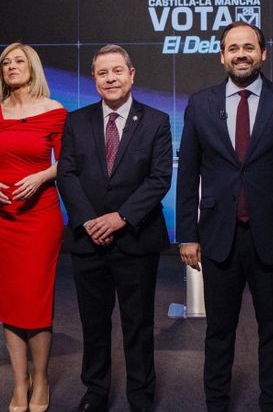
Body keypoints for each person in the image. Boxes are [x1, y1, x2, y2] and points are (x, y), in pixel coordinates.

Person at [176, 22, 273, 412]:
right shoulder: (200, 103)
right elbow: (187, 175)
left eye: (249, 47)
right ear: (222, 56)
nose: (241, 54)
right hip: (218, 237)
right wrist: (186, 235)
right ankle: (216, 404)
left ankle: (272, 403)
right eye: (233, 48)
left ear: (263, 53)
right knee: (218, 330)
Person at [57, 44, 172, 412]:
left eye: (117, 71)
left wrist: (120, 217)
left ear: (131, 74)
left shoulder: (156, 121)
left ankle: (140, 395)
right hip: (87, 239)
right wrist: (90, 220)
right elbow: (67, 173)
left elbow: (159, 179)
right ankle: (95, 391)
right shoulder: (76, 121)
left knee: (138, 323)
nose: (110, 78)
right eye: (102, 73)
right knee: (93, 323)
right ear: (94, 79)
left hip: (135, 239)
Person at [0, 42, 66, 412]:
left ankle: (41, 378)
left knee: (35, 301)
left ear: (32, 67)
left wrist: (42, 177)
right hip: (2, 217)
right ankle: (19, 382)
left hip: (40, 215)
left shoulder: (55, 112)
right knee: (9, 301)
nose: (12, 67)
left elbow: (66, 162)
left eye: (19, 61)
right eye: (6, 63)